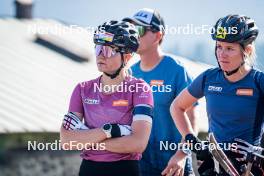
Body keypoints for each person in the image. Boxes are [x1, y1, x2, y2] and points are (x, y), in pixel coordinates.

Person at [162, 14, 264, 176]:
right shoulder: (209, 78)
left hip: (249, 169)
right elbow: (177, 106)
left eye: (230, 48)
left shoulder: (259, 81)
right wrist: (192, 142)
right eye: (219, 46)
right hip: (215, 165)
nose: (222, 54)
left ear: (247, 50)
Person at [60, 20, 154, 176]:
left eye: (109, 50)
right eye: (98, 49)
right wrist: (109, 131)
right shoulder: (82, 89)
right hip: (89, 169)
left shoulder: (140, 89)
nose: (101, 55)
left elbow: (138, 143)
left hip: (124, 169)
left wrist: (88, 138)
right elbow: (66, 141)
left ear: (127, 57)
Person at [123, 8, 197, 176]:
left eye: (139, 30)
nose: (134, 35)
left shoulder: (176, 70)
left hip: (174, 165)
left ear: (158, 35)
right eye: (131, 30)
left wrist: (182, 155)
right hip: (141, 165)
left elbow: (192, 117)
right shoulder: (129, 73)